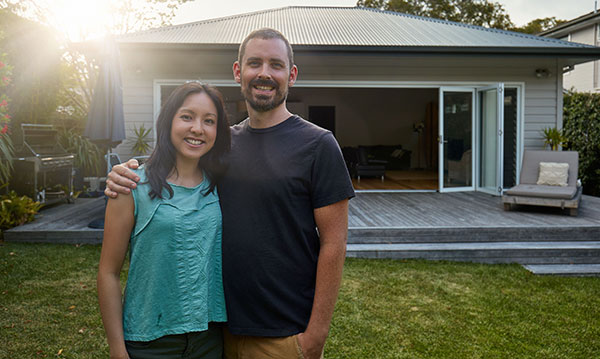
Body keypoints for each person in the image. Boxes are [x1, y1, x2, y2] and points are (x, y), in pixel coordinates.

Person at [105, 28, 355, 359]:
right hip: (219, 331)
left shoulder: (318, 145)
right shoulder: (222, 146)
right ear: (238, 72)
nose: (264, 73)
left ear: (291, 75)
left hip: (283, 333)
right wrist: (125, 172)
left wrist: (314, 338)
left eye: (275, 65)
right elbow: (178, 164)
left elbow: (334, 244)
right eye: (254, 63)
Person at [97, 82, 231, 359]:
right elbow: (108, 273)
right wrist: (117, 349)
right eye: (187, 116)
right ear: (168, 121)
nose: (197, 128)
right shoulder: (131, 186)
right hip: (150, 341)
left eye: (209, 121)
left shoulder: (224, 186)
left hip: (210, 339)